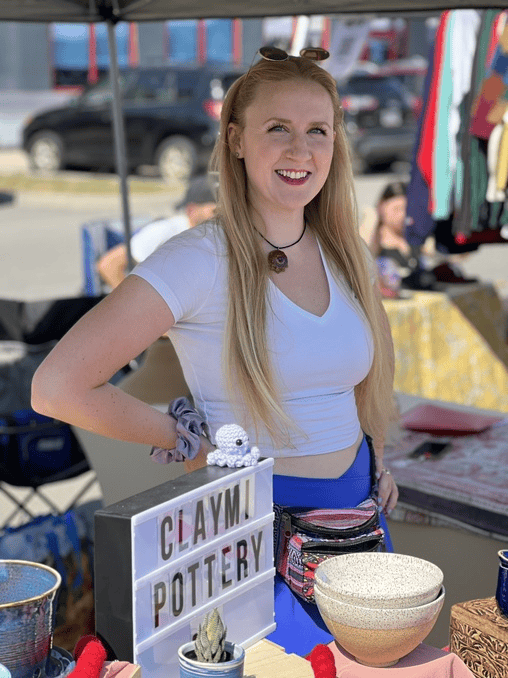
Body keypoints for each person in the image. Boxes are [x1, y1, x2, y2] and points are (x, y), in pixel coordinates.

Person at [31, 48, 399, 656]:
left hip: (360, 531)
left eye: (318, 131)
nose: (301, 151)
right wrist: (187, 438)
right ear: (235, 140)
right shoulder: (199, 259)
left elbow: (361, 381)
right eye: (277, 128)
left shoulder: (345, 252)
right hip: (255, 547)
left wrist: (379, 460)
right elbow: (57, 386)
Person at [96, 175, 217, 289]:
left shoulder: (212, 237)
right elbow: (108, 265)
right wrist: (136, 305)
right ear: (191, 210)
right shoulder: (166, 230)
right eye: (215, 211)